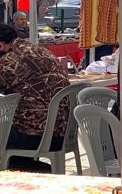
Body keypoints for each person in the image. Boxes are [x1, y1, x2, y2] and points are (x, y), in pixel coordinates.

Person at [0, 23, 71, 154]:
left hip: (35, 136)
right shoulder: (40, 50)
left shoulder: (9, 61)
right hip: (64, 133)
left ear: (1, 45)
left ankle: (21, 167)